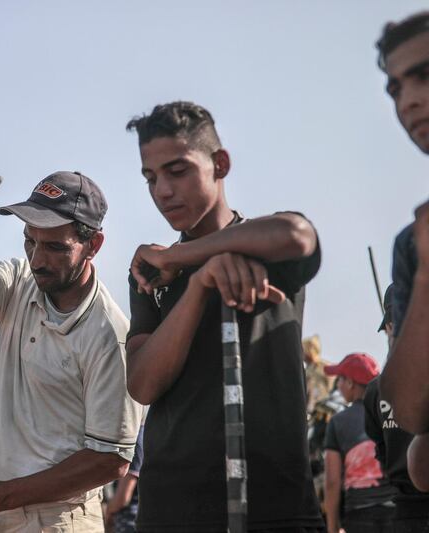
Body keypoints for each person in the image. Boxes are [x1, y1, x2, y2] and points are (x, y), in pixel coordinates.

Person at [125, 101, 324, 531]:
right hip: (173, 508)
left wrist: (181, 256)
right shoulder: (150, 274)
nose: (162, 190)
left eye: (177, 171)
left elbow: (296, 234)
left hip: (273, 504)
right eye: (150, 177)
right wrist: (198, 285)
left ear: (220, 164)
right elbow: (142, 383)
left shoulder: (260, 246)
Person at [0, 153, 142, 532]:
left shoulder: (109, 335)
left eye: (56, 247)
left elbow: (110, 460)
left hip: (61, 521)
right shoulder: (18, 280)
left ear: (94, 245)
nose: (38, 259)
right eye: (30, 241)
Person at [374, 11, 429, 492]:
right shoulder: (413, 245)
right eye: (395, 88)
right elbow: (410, 410)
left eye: (424, 76)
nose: (409, 101)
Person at [364, 285, 429, 532]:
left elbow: (381, 452)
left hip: (405, 513)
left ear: (389, 327)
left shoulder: (375, 390)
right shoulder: (376, 390)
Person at [323, 353, 397, 533]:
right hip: (397, 511)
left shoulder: (338, 422)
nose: (338, 385)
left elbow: (332, 481)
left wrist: (332, 527)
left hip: (359, 515)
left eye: (340, 379)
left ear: (350, 383)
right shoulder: (392, 413)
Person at [104, 425, 143, 533]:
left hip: (130, 522)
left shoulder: (134, 439)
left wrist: (108, 510)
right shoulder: (148, 435)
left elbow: (123, 498)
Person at [303, 335, 334, 413]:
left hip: (324, 410)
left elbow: (331, 388)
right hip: (310, 410)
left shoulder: (325, 367)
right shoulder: (307, 369)